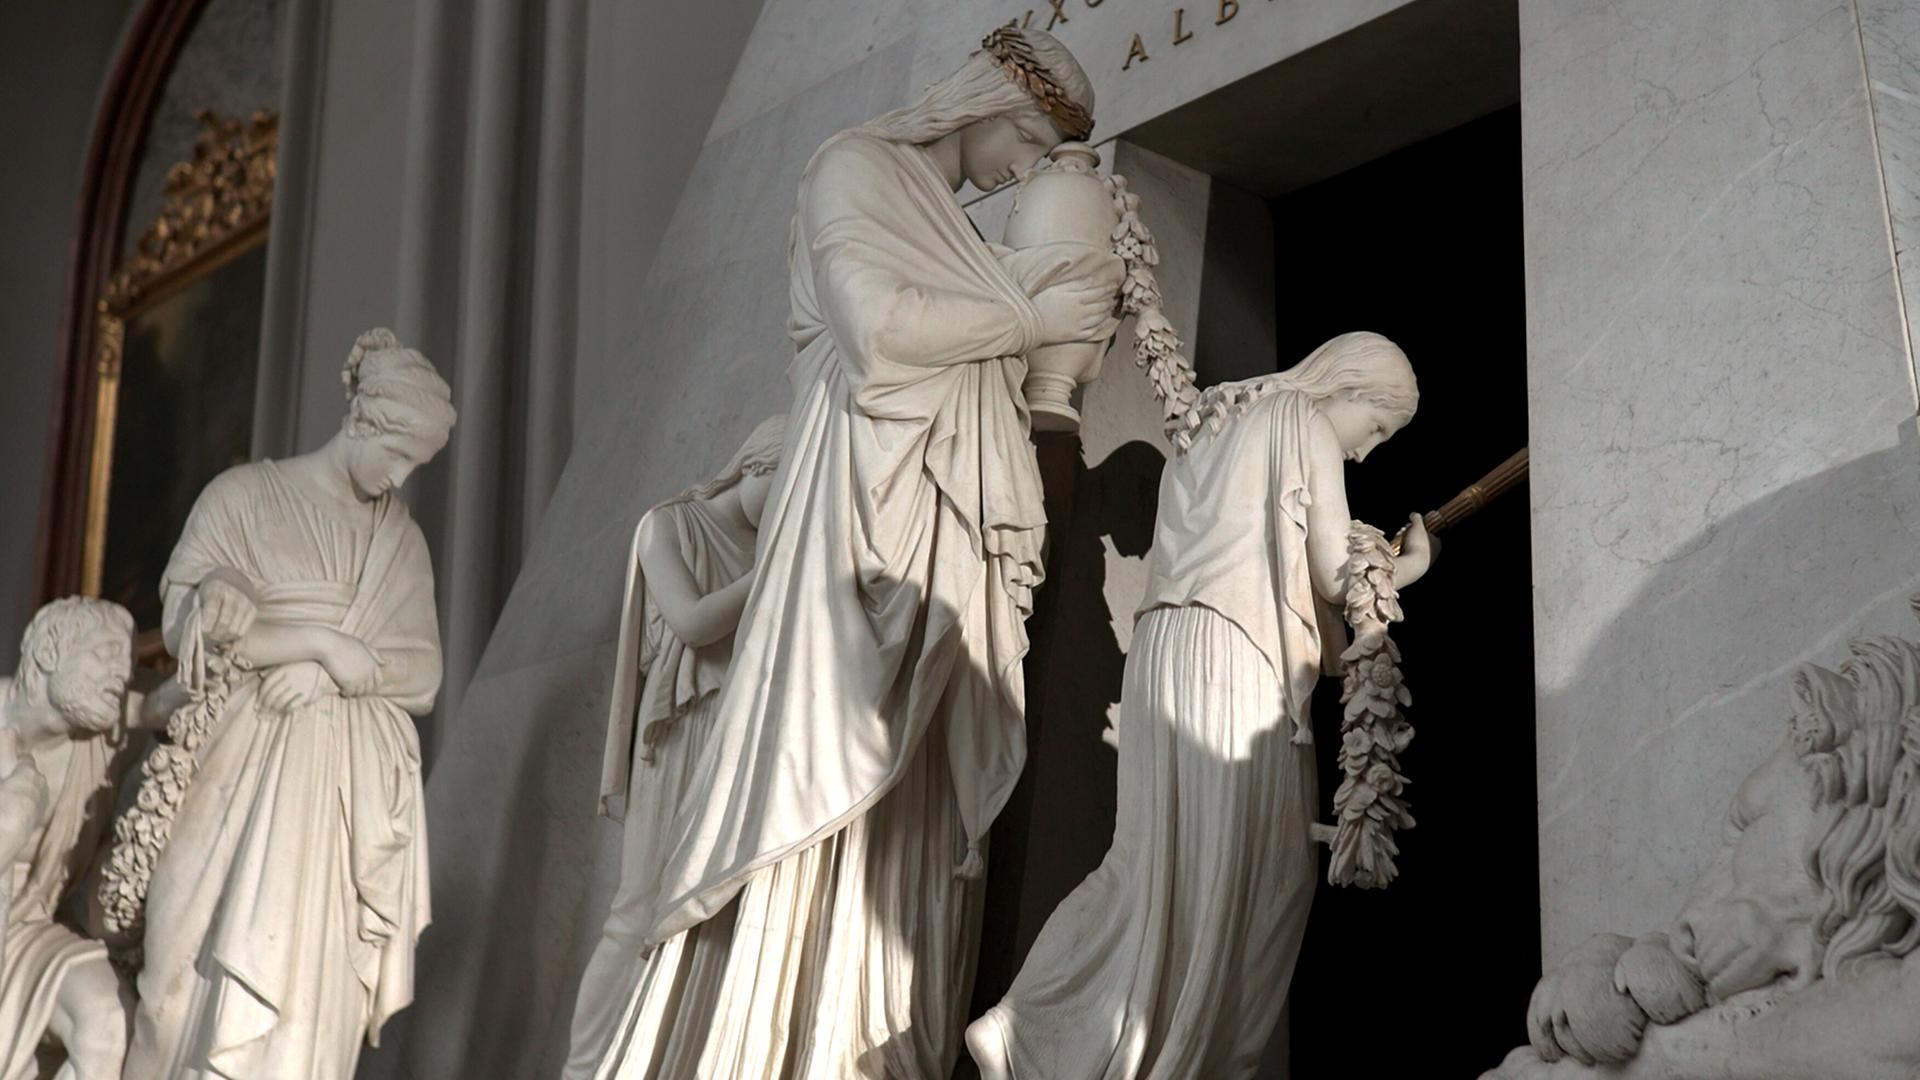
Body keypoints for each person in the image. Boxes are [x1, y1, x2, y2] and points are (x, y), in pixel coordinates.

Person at [640, 26, 1122, 1079]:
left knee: (912, 811)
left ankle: (870, 1034)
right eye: (1031, 141)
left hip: (928, 524)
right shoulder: (853, 164)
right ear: (986, 98)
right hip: (853, 513)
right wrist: (1024, 303)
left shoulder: (950, 227)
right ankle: (777, 1037)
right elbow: (881, 330)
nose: (1023, 170)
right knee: (829, 764)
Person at [968, 332, 1437, 1080]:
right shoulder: (1303, 419)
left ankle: (1024, 1018)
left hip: (1163, 652)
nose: (1365, 454)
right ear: (1350, 389)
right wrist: (1405, 565)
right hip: (1235, 656)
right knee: (1265, 879)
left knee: (1144, 865)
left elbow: (1299, 582)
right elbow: (1330, 570)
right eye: (1376, 429)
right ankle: (1182, 1059)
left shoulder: (1213, 414)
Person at [125, 328, 455, 1078]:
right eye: (398, 456)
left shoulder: (399, 544)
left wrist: (328, 669)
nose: (400, 477)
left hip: (339, 801)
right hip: (230, 770)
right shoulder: (242, 497)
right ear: (362, 422)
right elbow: (189, 632)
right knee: (174, 994)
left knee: (306, 1008)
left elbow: (424, 676)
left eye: (416, 466)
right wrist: (321, 643)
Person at [564, 415, 786, 1079]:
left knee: (706, 906)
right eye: (787, 492)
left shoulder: (761, 550)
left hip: (736, 734)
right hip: (680, 733)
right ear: (757, 466)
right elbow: (690, 623)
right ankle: (582, 1066)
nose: (788, 515)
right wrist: (775, 572)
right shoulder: (667, 526)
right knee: (638, 905)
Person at [0, 598, 152, 1080]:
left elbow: (163, 705)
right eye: (104, 654)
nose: (118, 674)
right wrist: (14, 812)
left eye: (125, 665)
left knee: (107, 1021)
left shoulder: (99, 742)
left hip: (26, 932)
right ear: (47, 652)